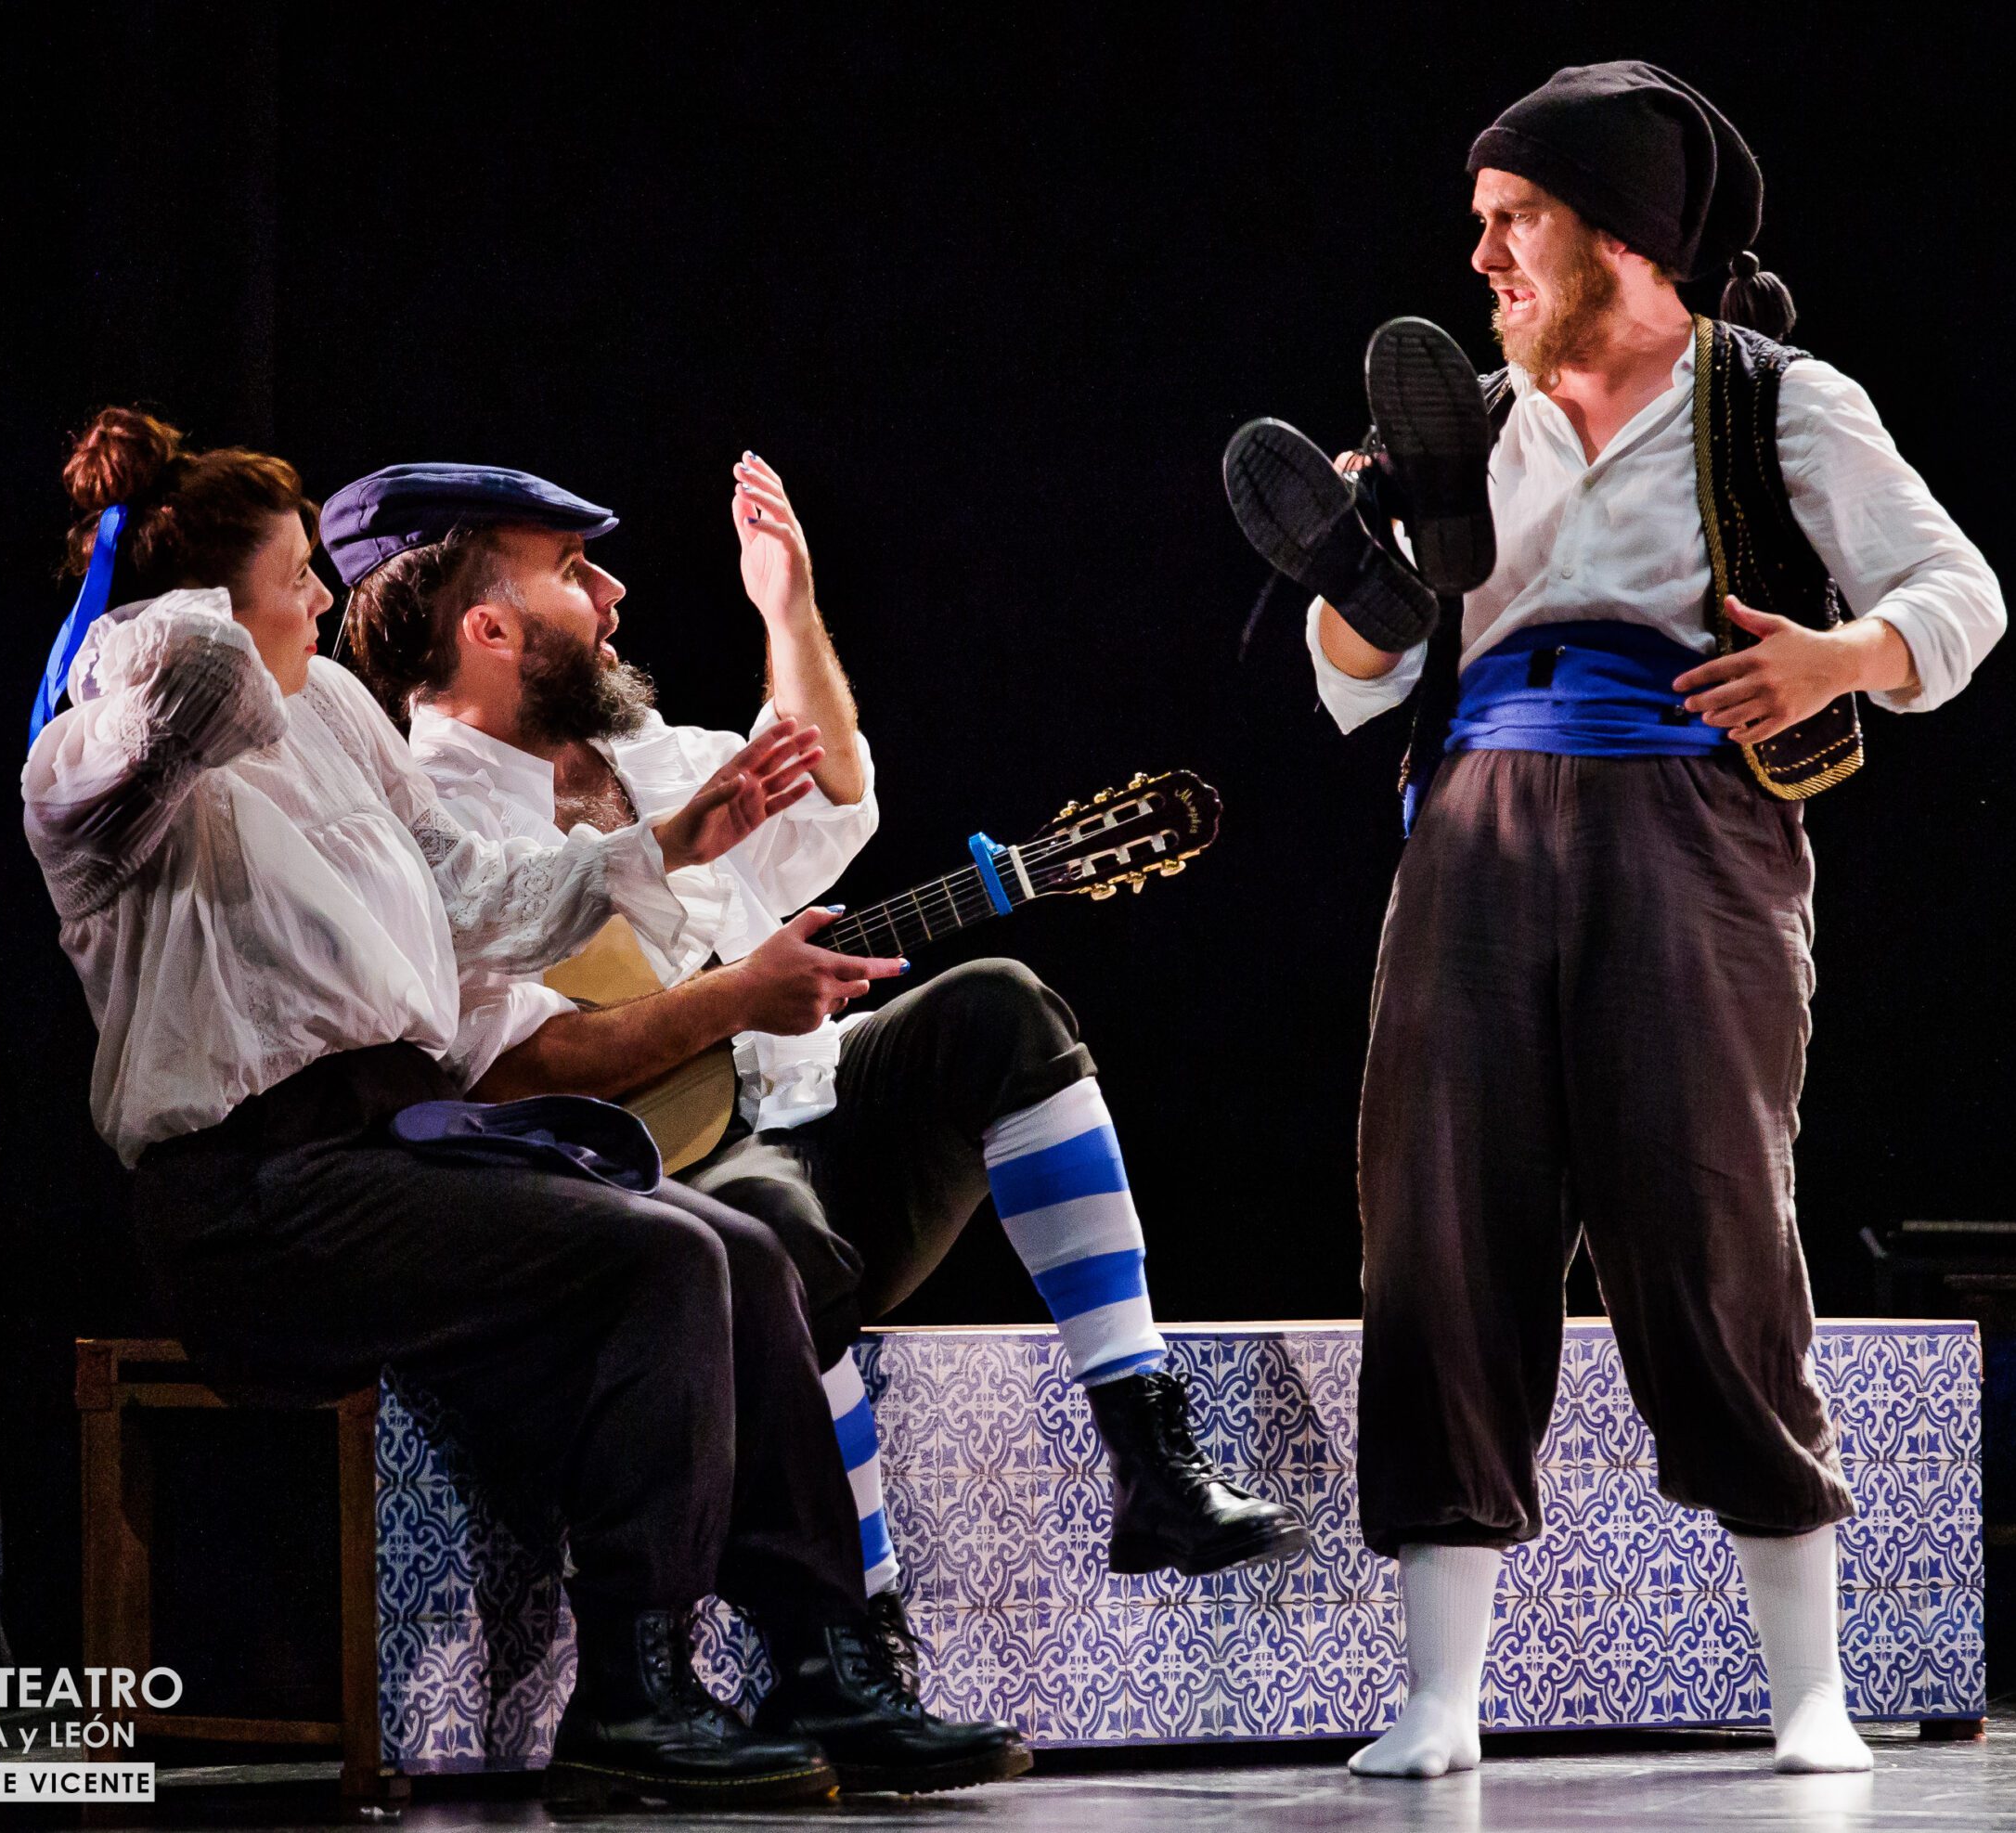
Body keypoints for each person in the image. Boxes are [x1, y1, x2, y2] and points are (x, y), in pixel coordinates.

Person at [21, 409, 1028, 1803]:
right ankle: (633, 1691)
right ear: (205, 600)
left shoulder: (334, 716)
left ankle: (824, 1659)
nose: (322, 599)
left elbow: (471, 893)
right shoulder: (92, 762)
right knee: (659, 1255)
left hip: (391, 1146)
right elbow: (199, 677)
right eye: (296, 575)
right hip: (255, 1194)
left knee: (737, 1248)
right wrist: (148, 578)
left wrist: (663, 843)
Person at [1234, 63, 2006, 1778]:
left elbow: (1962, 593)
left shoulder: (1775, 401)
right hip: (1478, 823)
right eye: (1482, 221)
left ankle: (1808, 1688)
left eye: (1518, 220)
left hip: (1691, 823)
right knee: (1438, 1231)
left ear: (1623, 236)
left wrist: (1840, 657)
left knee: (1712, 1223)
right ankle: (1442, 1696)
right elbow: (1357, 691)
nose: (1484, 254)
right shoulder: (1471, 424)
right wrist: (1363, 593)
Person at [327, 453, 1311, 1635]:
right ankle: (868, 1627)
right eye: (574, 570)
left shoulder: (639, 750)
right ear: (489, 627)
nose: (613, 592)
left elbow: (831, 798)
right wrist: (738, 999)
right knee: (774, 1230)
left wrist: (787, 609)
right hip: (675, 1184)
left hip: (822, 1104)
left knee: (1001, 1005)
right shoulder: (431, 823)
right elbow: (511, 1070)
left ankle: (1149, 1453)